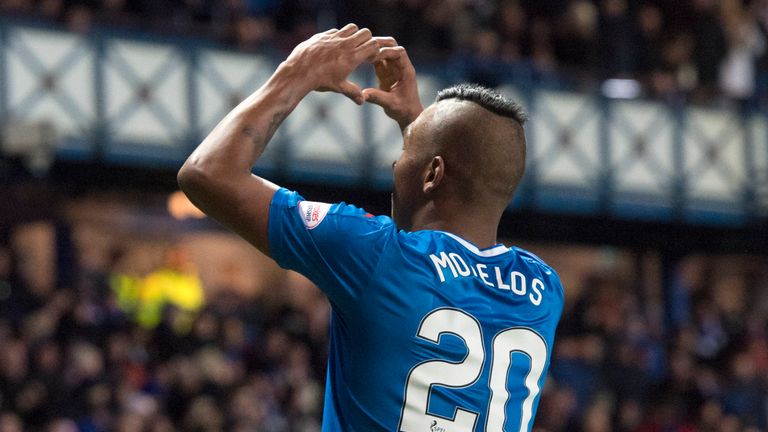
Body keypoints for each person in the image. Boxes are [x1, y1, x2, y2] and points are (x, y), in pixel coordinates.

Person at [178, 23, 564, 431]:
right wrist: (420, 130)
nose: (395, 166)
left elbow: (207, 174)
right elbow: (445, 228)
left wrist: (297, 71)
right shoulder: (544, 291)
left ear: (433, 173)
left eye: (405, 154)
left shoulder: (374, 255)